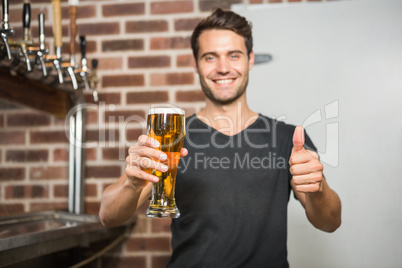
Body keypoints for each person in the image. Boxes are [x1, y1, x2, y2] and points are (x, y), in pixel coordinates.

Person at [99, 8, 341, 268]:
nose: (223, 68)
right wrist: (131, 184)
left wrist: (318, 189)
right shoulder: (171, 139)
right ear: (196, 64)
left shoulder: (287, 139)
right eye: (210, 57)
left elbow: (330, 222)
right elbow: (108, 216)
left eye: (233, 55)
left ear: (249, 60)